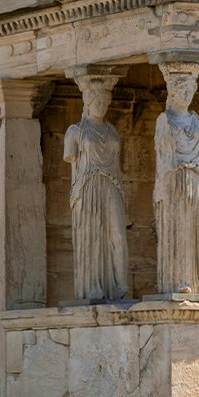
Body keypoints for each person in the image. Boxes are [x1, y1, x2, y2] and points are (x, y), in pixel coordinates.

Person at [64, 75, 129, 301]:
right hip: (87, 187)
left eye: (105, 101)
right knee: (92, 236)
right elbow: (73, 166)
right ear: (88, 103)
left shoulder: (112, 132)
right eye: (97, 101)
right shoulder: (75, 131)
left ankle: (120, 288)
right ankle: (93, 288)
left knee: (117, 235)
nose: (102, 105)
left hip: (112, 185)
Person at [153, 66, 199, 295]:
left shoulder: (198, 122)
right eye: (181, 90)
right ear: (172, 92)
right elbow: (163, 158)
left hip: (197, 178)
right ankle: (180, 282)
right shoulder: (164, 121)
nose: (186, 94)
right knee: (180, 230)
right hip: (175, 180)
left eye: (189, 89)